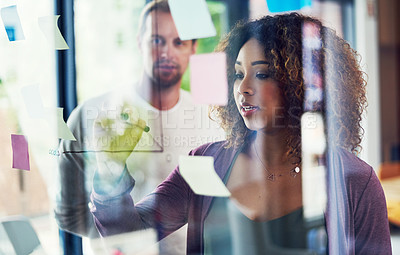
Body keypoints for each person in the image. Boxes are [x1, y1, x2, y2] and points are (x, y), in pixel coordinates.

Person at [89, 13, 392, 254]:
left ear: (300, 83)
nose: (243, 88)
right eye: (237, 74)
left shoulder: (355, 180)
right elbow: (127, 232)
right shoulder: (205, 163)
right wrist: (109, 167)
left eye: (262, 74)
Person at [54, 0, 225, 253]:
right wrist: (121, 236)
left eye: (179, 42)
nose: (167, 52)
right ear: (139, 42)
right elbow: (68, 214)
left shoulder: (211, 121)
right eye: (157, 40)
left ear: (193, 48)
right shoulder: (91, 116)